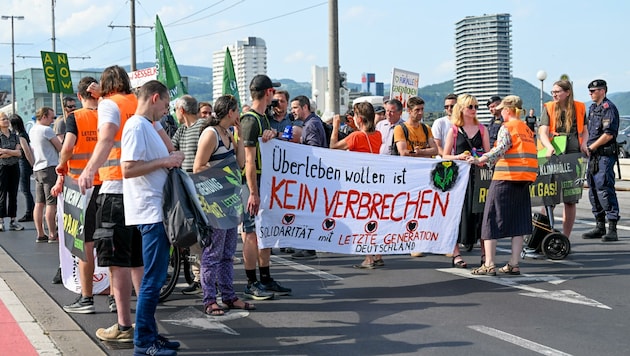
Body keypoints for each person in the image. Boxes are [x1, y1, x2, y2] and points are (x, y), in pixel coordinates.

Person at [77, 65, 144, 344]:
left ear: (104, 85)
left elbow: (106, 137)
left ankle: (124, 326)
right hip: (141, 191)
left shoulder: (108, 105)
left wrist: (89, 169)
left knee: (117, 261)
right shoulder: (138, 103)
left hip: (115, 188)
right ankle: (145, 320)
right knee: (138, 259)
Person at [120, 80, 184, 356]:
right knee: (152, 279)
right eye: (166, 105)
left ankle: (151, 336)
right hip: (150, 211)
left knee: (155, 277)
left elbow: (168, 148)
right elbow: (128, 169)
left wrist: (157, 125)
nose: (167, 111)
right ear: (155, 98)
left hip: (156, 210)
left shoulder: (146, 125)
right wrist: (165, 162)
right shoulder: (135, 126)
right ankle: (143, 342)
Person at [193, 94, 250, 315]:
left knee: (227, 252)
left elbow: (240, 163)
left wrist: (240, 137)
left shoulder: (227, 133)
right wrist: (223, 176)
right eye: (237, 111)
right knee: (213, 252)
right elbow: (198, 167)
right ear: (231, 112)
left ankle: (228, 295)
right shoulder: (211, 134)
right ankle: (209, 299)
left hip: (230, 199)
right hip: (215, 201)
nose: (239, 115)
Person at [50, 76, 102, 314]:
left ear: (81, 96)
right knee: (109, 242)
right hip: (109, 184)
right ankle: (114, 296)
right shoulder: (110, 113)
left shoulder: (76, 118)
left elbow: (68, 147)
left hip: (82, 186)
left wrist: (61, 168)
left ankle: (87, 298)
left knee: (86, 243)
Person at [469, 95, 537, 276]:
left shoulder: (506, 127)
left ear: (508, 110)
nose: (500, 113)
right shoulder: (527, 129)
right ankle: (514, 264)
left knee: (490, 218)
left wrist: (481, 159)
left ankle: (489, 264)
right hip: (524, 178)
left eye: (502, 110)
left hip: (505, 177)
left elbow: (501, 148)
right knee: (519, 221)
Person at [240, 74, 291, 300]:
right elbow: (249, 161)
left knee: (266, 230)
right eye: (274, 92)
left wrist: (275, 133)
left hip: (265, 180)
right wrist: (253, 192)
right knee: (251, 233)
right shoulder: (250, 120)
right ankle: (251, 282)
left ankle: (266, 277)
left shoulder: (263, 118)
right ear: (268, 92)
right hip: (254, 181)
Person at [330, 102, 382, 269]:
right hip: (374, 179)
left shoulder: (355, 137)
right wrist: (355, 126)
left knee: (362, 219)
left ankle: (368, 258)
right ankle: (377, 253)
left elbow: (333, 147)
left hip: (359, 181)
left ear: (359, 118)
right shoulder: (378, 134)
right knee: (373, 217)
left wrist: (335, 127)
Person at [442, 94, 490, 268]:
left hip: (478, 177)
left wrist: (481, 160)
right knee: (458, 215)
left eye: (476, 106)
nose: (474, 110)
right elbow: (444, 155)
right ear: (461, 108)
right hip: (460, 179)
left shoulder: (482, 129)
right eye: (471, 106)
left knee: (482, 216)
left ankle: (485, 255)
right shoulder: (454, 130)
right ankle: (456, 254)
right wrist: (459, 157)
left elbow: (488, 153)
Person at [538, 80, 588, 238]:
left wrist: (585, 144)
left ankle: (565, 238)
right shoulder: (549, 107)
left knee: (571, 199)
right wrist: (548, 146)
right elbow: (543, 132)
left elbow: (585, 130)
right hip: (555, 156)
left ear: (567, 92)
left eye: (557, 91)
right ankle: (541, 236)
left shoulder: (579, 107)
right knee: (550, 197)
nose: (554, 94)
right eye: (553, 91)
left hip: (574, 156)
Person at [170, 94, 206, 295]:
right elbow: (171, 148)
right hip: (186, 187)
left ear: (181, 110)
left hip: (202, 187)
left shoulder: (202, 127)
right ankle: (198, 278)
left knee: (205, 235)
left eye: (176, 109)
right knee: (192, 236)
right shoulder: (182, 130)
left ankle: (208, 277)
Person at [288, 95, 328, 260]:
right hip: (316, 176)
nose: (293, 111)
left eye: (295, 108)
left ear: (305, 107)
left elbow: (313, 150)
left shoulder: (310, 125)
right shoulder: (314, 122)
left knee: (309, 210)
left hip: (313, 176)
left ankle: (309, 247)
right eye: (292, 108)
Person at [582, 79, 620, 242]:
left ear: (602, 91)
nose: (590, 93)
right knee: (593, 189)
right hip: (593, 156)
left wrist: (592, 147)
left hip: (604, 155)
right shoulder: (592, 108)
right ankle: (599, 225)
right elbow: (589, 131)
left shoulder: (608, 108)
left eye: (594, 91)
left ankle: (612, 228)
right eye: (590, 91)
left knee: (604, 188)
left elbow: (609, 134)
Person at [30, 107, 62, 243]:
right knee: (51, 203)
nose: (53, 120)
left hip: (38, 168)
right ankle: (52, 234)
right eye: (51, 117)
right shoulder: (46, 130)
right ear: (44, 116)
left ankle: (40, 233)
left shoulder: (32, 130)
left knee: (39, 203)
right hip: (49, 167)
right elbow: (60, 147)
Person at [0, 112, 25, 232]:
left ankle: (13, 220)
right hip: (2, 168)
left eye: (6, 119)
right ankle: (1, 221)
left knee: (13, 194)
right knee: (2, 194)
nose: (6, 121)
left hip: (14, 167)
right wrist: (12, 152)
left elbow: (19, 153)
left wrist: (5, 151)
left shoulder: (14, 135)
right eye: (3, 119)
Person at [9, 115, 35, 222]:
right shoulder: (22, 134)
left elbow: (27, 151)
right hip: (23, 164)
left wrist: (32, 164)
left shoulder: (20, 136)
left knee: (25, 189)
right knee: (25, 189)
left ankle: (30, 212)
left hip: (23, 164)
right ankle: (31, 210)